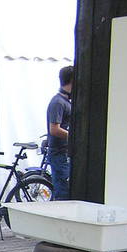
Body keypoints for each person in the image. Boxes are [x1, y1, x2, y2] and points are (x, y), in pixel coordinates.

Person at [46, 65, 73, 200]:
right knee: (63, 194)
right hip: (59, 154)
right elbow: (54, 129)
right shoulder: (58, 102)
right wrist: (74, 136)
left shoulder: (66, 102)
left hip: (64, 154)